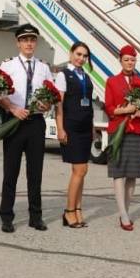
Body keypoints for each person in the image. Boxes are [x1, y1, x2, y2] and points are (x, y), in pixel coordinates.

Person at [0, 24, 55, 233]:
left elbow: (50, 95)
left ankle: (35, 217)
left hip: (35, 123)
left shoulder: (43, 67)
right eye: (25, 40)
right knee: (10, 172)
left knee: (35, 173)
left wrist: (47, 105)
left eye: (32, 40)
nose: (29, 43)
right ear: (18, 43)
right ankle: (7, 217)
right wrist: (13, 109)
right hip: (14, 122)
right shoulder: (8, 65)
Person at [103, 45, 140, 230]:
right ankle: (122, 214)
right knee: (118, 172)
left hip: (136, 130)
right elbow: (109, 108)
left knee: (132, 173)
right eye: (126, 60)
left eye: (132, 60)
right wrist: (126, 110)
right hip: (118, 130)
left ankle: (127, 211)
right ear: (120, 60)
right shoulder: (112, 81)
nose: (130, 63)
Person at [54, 41, 95, 229]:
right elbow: (59, 105)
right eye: (78, 54)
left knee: (82, 171)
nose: (81, 58)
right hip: (72, 127)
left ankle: (78, 209)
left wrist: (92, 126)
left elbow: (89, 104)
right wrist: (60, 128)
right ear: (71, 53)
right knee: (79, 170)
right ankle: (68, 211)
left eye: (85, 56)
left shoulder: (86, 76)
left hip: (86, 127)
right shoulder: (63, 75)